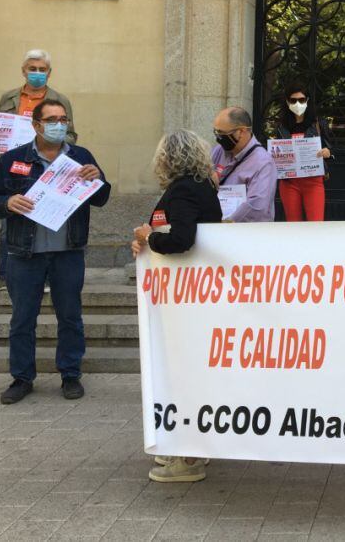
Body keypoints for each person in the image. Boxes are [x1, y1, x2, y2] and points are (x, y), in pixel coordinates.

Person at [0, 100, 110, 405]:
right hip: (24, 253)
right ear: (36, 125)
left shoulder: (80, 156)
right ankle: (22, 378)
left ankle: (70, 375)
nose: (59, 124)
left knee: (70, 317)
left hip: (68, 252)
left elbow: (102, 198)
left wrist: (98, 179)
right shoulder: (14, 159)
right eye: (52, 119)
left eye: (63, 119)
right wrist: (7, 202)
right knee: (23, 318)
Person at [130, 129, 223, 483]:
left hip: (186, 302)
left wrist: (148, 238)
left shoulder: (184, 189)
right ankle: (194, 448)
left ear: (167, 158)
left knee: (183, 374)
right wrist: (148, 241)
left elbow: (182, 239)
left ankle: (187, 459)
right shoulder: (202, 187)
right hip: (191, 297)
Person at [0, 49, 76, 296]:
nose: (37, 74)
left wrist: (57, 146)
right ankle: (4, 275)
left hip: (46, 167)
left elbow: (72, 135)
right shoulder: (9, 97)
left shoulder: (59, 100)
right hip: (14, 167)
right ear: (23, 71)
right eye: (32, 69)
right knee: (9, 219)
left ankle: (45, 276)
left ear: (49, 73)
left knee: (47, 217)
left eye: (42, 70)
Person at [276, 80, 333, 222]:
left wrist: (328, 152)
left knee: (315, 223)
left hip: (313, 181)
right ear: (287, 102)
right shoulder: (281, 126)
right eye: (293, 100)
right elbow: (277, 152)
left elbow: (331, 148)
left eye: (301, 100)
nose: (297, 104)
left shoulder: (319, 123)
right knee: (293, 224)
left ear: (307, 100)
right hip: (289, 182)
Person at [211, 107, 278, 223]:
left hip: (248, 232)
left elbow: (257, 205)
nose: (218, 138)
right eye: (216, 132)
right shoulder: (219, 151)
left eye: (222, 133)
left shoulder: (263, 162)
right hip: (218, 226)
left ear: (241, 132)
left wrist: (227, 223)